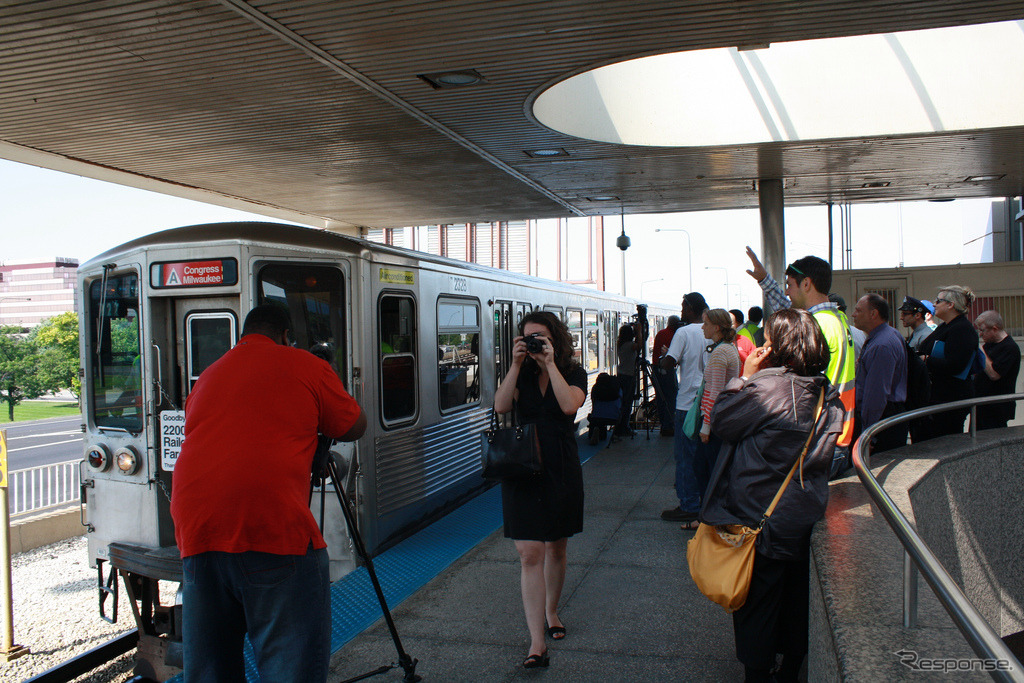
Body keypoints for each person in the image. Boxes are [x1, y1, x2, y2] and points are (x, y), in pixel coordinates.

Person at [171, 304, 367, 683]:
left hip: (196, 532)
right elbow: (353, 425)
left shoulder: (209, 375)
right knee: (289, 666)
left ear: (243, 335)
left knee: (210, 669)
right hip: (271, 527)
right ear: (284, 337)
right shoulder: (305, 365)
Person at [703, 308, 845, 683]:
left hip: (759, 515)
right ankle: (791, 670)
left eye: (768, 339)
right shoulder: (826, 393)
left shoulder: (767, 388)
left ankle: (758, 673)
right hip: (804, 511)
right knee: (797, 600)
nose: (764, 345)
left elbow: (723, 423)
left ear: (780, 345)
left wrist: (743, 378)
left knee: (758, 605)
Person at [494, 311, 587, 669]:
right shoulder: (520, 371)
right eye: (527, 338)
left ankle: (552, 611)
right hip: (522, 467)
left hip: (560, 466)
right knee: (529, 553)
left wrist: (550, 364)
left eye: (540, 338)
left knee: (557, 547)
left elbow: (568, 405)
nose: (533, 343)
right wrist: (516, 366)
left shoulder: (572, 371)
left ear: (554, 339)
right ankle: (536, 642)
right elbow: (501, 407)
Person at [744, 248, 856, 476]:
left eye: (789, 285)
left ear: (806, 284)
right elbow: (791, 314)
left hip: (821, 436)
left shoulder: (817, 325)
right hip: (839, 430)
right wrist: (765, 281)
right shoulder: (836, 318)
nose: (787, 292)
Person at [686, 307, 740, 525]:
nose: (702, 327)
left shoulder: (719, 353)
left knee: (705, 470)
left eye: (706, 323)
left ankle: (708, 518)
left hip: (715, 424)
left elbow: (715, 392)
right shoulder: (728, 348)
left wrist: (706, 426)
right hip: (722, 420)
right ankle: (710, 516)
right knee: (711, 470)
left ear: (717, 327)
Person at [660, 292, 709, 522]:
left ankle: (688, 504)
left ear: (690, 308)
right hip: (708, 402)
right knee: (703, 456)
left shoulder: (683, 332)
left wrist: (664, 357)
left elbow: (669, 363)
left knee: (685, 457)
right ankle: (703, 501)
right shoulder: (712, 331)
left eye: (683, 306)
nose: (681, 311)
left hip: (687, 403)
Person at [918, 285, 979, 439]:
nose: (934, 304)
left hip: (950, 399)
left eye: (938, 301)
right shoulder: (945, 326)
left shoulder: (962, 329)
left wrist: (926, 360)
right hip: (937, 396)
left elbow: (956, 365)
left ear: (950, 304)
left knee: (944, 440)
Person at [851, 294, 909, 452]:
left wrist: (868, 433)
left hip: (882, 422)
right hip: (887, 418)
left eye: (858, 310)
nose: (853, 314)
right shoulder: (889, 335)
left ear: (873, 314)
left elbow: (876, 395)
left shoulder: (881, 345)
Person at [973, 310, 1021, 430]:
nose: (980, 334)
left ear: (994, 329)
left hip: (997, 407)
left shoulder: (1010, 348)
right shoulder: (989, 345)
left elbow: (994, 374)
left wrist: (979, 350)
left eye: (982, 330)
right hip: (981, 404)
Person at [651, 315, 683, 436]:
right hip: (667, 370)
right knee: (671, 396)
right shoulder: (674, 335)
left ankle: (664, 424)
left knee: (660, 397)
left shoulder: (660, 333)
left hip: (656, 369)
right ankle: (668, 425)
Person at [614, 323, 639, 437]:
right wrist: (639, 331)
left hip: (621, 375)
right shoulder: (630, 345)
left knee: (622, 402)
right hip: (629, 376)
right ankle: (624, 427)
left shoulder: (621, 344)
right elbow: (640, 346)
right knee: (627, 403)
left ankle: (619, 426)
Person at [587, 372, 621, 444]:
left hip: (597, 417)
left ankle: (596, 432)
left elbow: (593, 403)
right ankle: (616, 434)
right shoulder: (617, 388)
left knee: (596, 421)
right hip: (614, 418)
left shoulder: (595, 388)